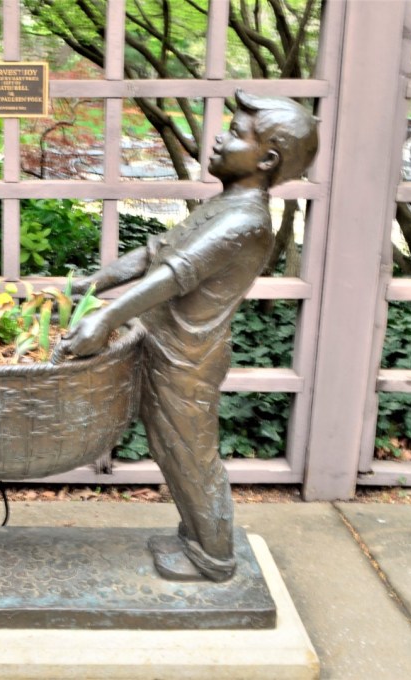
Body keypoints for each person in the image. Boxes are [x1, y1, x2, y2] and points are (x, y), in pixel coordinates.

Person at [59, 91, 318, 582]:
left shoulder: (245, 221)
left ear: (267, 159)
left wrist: (105, 319)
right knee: (172, 450)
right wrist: (89, 285)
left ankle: (214, 556)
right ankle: (198, 538)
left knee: (189, 455)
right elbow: (151, 255)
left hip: (187, 359)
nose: (218, 138)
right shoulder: (223, 206)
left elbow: (174, 275)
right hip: (165, 349)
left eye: (235, 134)